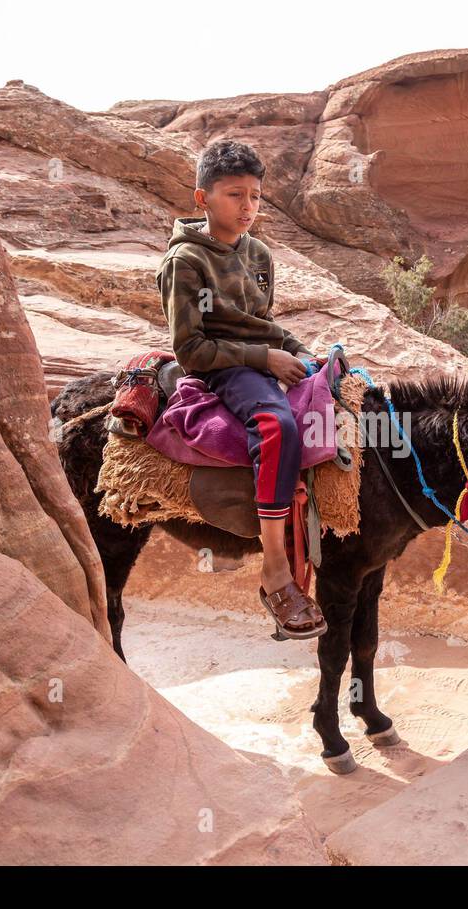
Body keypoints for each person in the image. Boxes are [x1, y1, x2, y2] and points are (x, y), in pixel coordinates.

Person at [155, 139, 327, 639]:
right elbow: (190, 349)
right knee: (277, 424)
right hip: (221, 367)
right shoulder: (185, 262)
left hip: (261, 358)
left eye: (255, 196)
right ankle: (275, 570)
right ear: (201, 198)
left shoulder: (259, 254)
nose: (248, 207)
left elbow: (265, 323)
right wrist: (263, 360)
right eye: (234, 195)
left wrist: (302, 352)